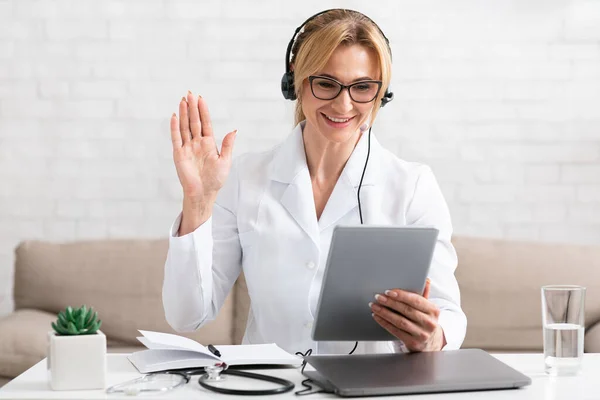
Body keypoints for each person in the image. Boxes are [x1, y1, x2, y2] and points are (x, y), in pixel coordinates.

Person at [163, 9, 466, 356]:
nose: (344, 103)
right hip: (273, 388)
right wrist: (197, 204)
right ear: (295, 84)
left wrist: (431, 337)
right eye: (326, 83)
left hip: (373, 390)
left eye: (363, 87)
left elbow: (449, 315)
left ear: (382, 92)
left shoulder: (413, 186)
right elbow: (187, 316)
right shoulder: (245, 178)